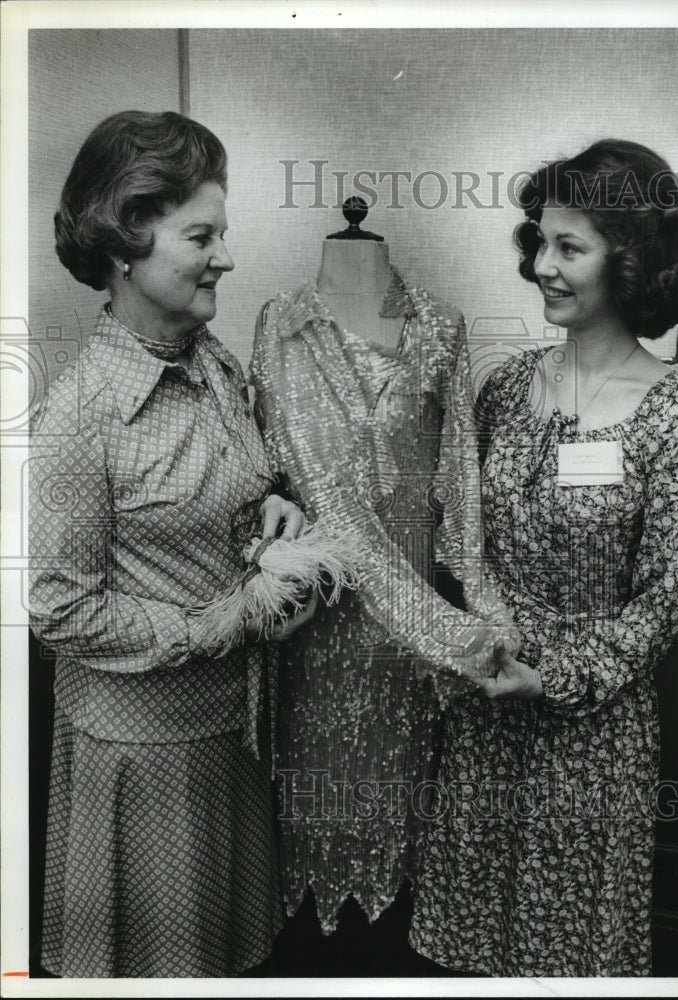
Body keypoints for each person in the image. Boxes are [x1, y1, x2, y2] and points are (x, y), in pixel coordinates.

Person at [409, 138, 678, 976]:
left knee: (563, 960)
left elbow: (665, 605)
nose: (541, 265)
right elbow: (459, 538)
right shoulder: (505, 389)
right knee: (468, 953)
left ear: (630, 264)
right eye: (538, 242)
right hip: (484, 712)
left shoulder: (674, 419)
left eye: (568, 248)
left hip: (591, 733)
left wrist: (551, 677)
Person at [28, 110, 317, 978]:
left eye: (222, 233)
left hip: (232, 731)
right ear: (125, 242)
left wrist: (277, 509)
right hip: (143, 761)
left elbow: (233, 490)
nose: (225, 256)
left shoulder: (213, 362)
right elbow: (57, 607)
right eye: (203, 235)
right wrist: (223, 623)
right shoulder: (81, 418)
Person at [249, 229, 520, 972]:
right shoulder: (278, 323)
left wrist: (481, 607)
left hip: (411, 640)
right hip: (317, 627)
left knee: (401, 817)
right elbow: (265, 464)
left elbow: (459, 477)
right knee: (310, 812)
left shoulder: (440, 325)